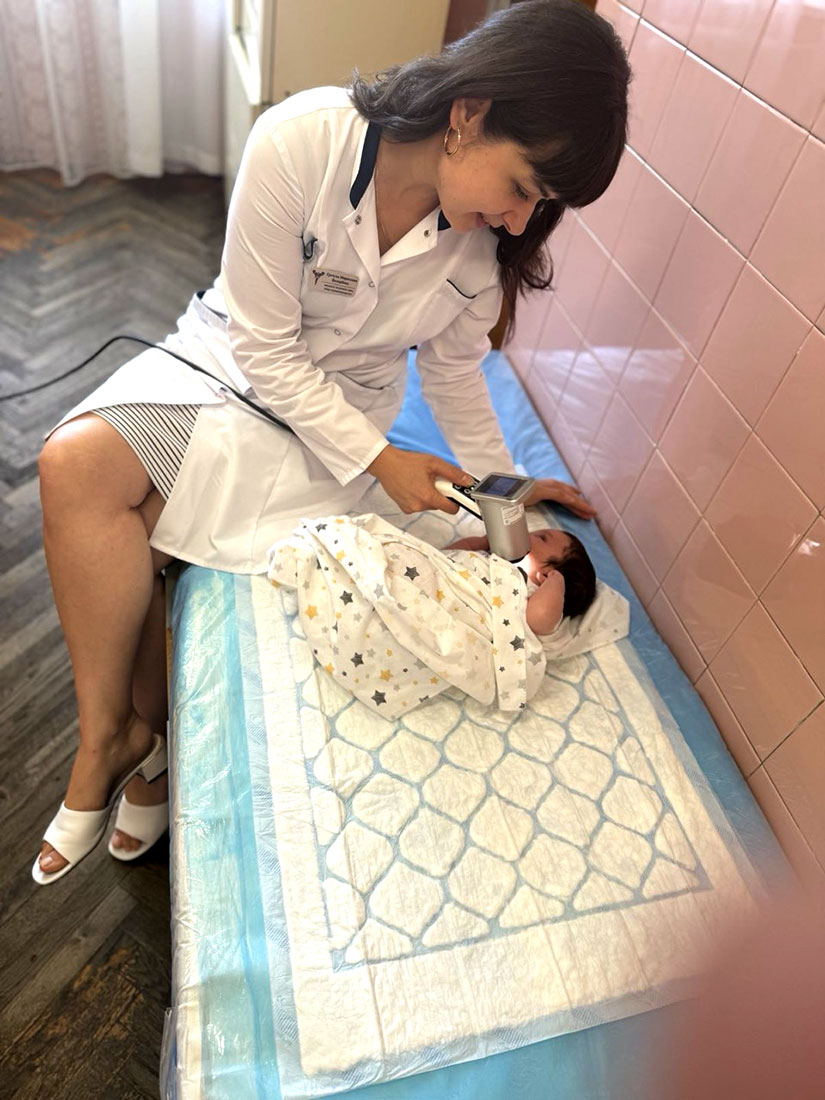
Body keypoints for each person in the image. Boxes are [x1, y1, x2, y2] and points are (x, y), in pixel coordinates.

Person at [33, 0, 630, 882]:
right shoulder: (301, 141)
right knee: (74, 464)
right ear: (467, 117)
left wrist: (506, 495)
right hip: (227, 366)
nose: (516, 222)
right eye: (521, 187)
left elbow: (455, 378)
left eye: (536, 205)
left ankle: (148, 749)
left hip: (337, 421)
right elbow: (265, 349)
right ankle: (107, 739)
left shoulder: (476, 252)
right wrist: (383, 462)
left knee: (142, 529)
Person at [444, 526, 596, 637]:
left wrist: (555, 581)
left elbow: (540, 616)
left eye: (542, 537)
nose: (527, 533)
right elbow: (448, 555)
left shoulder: (529, 595)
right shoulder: (490, 556)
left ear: (547, 575)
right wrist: (483, 542)